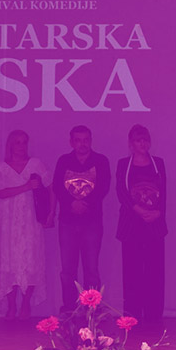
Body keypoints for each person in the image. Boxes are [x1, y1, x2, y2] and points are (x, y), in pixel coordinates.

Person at [0, 130, 53, 320]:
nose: (21, 146)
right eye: (17, 142)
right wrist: (26, 187)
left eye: (24, 142)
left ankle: (25, 304)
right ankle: (11, 305)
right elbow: (0, 192)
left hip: (31, 220)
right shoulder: (1, 167)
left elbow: (51, 188)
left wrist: (50, 213)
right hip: (9, 222)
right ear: (10, 145)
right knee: (9, 261)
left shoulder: (36, 164)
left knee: (30, 261)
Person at [52, 125, 110, 313]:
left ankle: (92, 310)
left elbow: (103, 187)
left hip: (92, 221)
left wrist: (84, 204)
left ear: (91, 141)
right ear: (71, 142)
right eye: (78, 140)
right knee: (67, 270)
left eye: (86, 140)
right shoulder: (64, 161)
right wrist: (72, 203)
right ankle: (70, 309)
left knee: (91, 269)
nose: (82, 144)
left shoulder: (101, 161)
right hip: (67, 222)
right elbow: (57, 187)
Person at [116, 125, 167, 322]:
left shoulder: (158, 163)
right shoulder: (123, 164)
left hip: (154, 223)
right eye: (138, 140)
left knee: (154, 270)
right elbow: (121, 191)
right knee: (132, 271)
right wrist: (137, 209)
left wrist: (158, 213)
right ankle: (132, 314)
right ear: (131, 144)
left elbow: (164, 191)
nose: (142, 143)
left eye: (145, 139)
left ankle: (154, 315)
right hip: (131, 224)